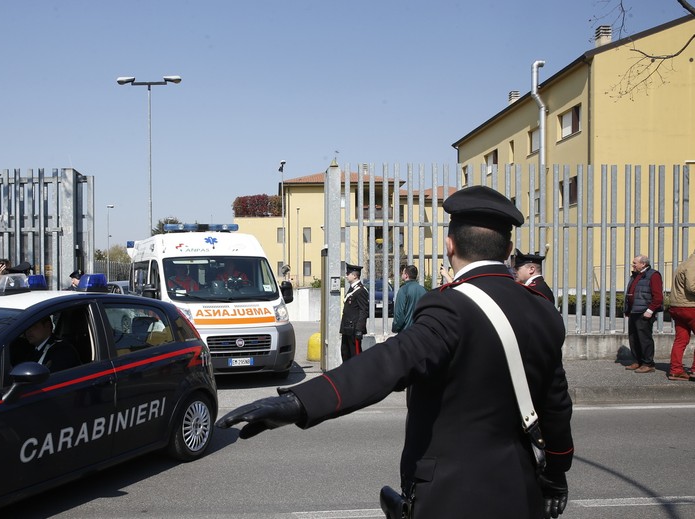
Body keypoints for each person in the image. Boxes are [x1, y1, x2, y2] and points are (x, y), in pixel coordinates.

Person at [217, 185, 573, 519]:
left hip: (450, 498)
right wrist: (556, 473)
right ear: (508, 251)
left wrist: (300, 402)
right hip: (521, 490)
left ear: (450, 245)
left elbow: (390, 362)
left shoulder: (450, 307)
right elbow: (556, 405)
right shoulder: (542, 310)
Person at [623, 254, 663, 374]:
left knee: (644, 338)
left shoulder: (653, 275)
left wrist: (650, 311)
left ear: (643, 264)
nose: (633, 265)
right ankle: (638, 360)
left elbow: (658, 296)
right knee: (634, 338)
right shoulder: (636, 275)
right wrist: (628, 309)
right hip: (634, 311)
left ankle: (648, 363)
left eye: (635, 263)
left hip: (644, 312)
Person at [14, 316, 80, 372]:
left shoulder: (62, 351)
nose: (28, 331)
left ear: (47, 326)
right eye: (27, 327)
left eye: (33, 326)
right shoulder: (30, 349)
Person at [667, 251, 695, 381]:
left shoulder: (683, 264)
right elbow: (691, 287)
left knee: (681, 340)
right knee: (681, 340)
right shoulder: (693, 265)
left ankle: (675, 370)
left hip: (677, 306)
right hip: (690, 306)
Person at [339, 263, 369, 361]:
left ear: (355, 276)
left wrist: (359, 329)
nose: (346, 275)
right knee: (345, 353)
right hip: (347, 328)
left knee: (355, 356)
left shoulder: (361, 290)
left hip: (354, 329)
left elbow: (363, 310)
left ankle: (357, 376)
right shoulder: (352, 288)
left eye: (348, 273)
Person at [391, 264, 427, 333]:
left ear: (406, 275)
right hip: (420, 331)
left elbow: (399, 313)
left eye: (403, 273)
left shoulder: (403, 290)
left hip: (406, 332)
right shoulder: (423, 290)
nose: (401, 274)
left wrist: (395, 328)